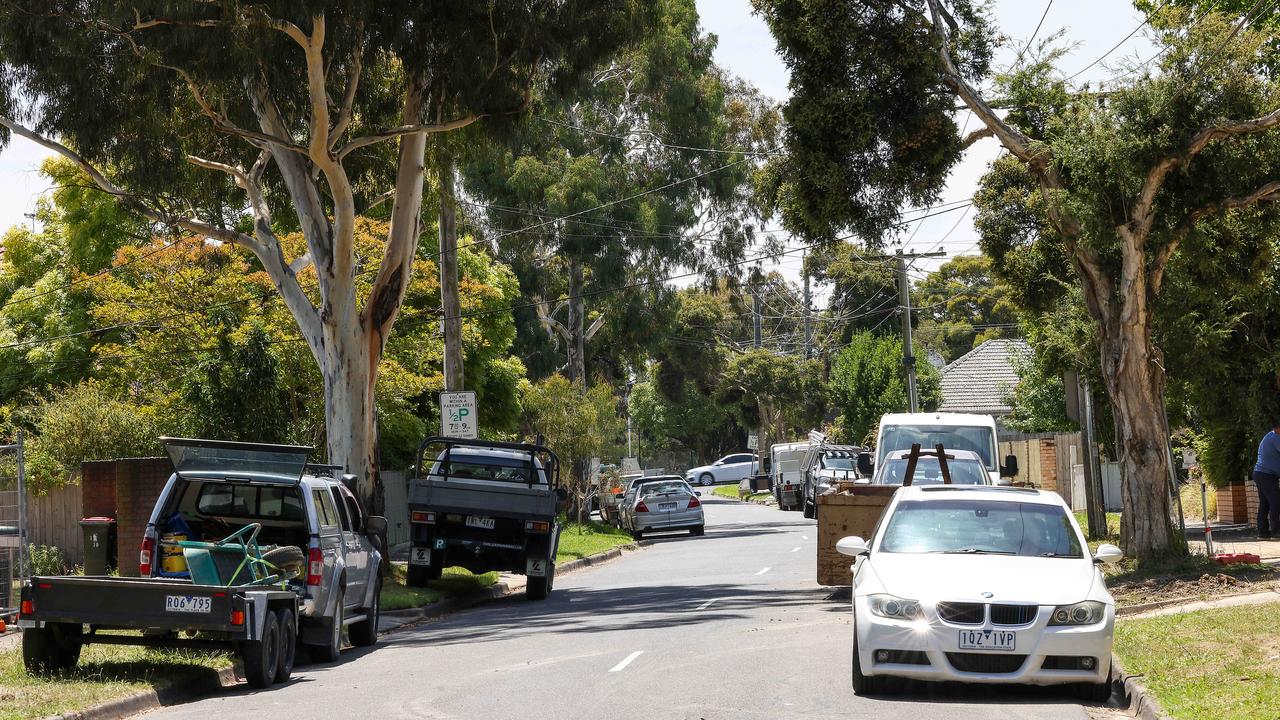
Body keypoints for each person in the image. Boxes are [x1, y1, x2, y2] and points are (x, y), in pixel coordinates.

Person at [1252, 424, 1280, 539]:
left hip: (1260, 474)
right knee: (1276, 502)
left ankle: (1263, 533)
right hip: (1267, 475)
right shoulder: (1275, 437)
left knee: (1265, 504)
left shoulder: (1269, 436)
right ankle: (1276, 532)